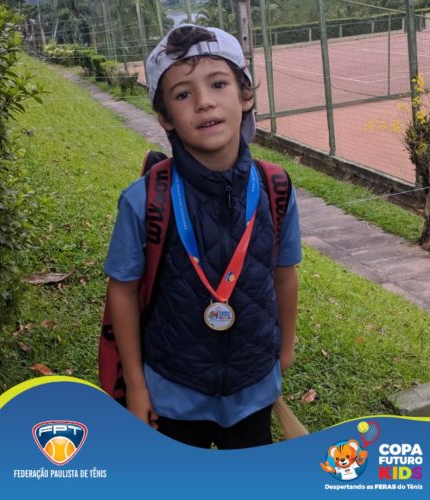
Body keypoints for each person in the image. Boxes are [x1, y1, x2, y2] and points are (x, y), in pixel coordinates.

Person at [104, 24, 302, 449]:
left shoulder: (276, 187)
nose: (204, 101)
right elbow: (121, 291)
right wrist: (136, 386)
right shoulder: (143, 200)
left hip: (253, 391)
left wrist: (284, 352)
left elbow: (285, 274)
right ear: (165, 117)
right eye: (182, 94)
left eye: (218, 83)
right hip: (171, 394)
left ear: (245, 95)